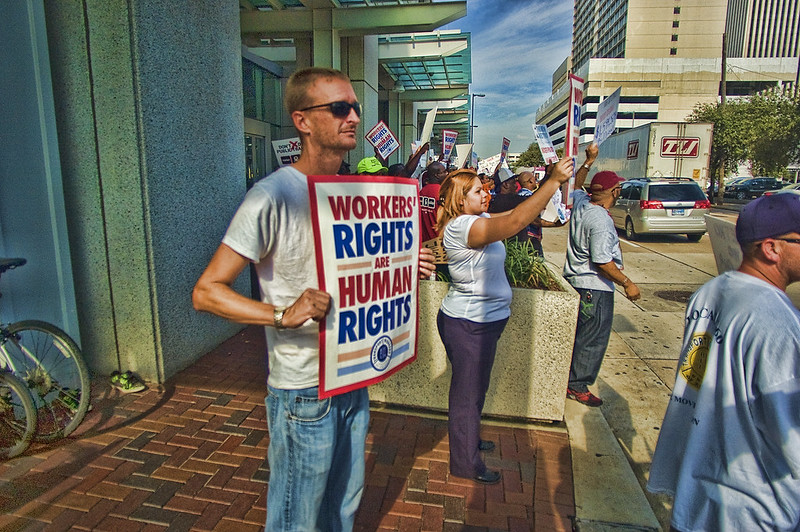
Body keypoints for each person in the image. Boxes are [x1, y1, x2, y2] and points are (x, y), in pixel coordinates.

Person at [192, 67, 435, 531]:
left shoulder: (357, 192)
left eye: (355, 107)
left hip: (354, 377)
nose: (354, 117)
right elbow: (207, 292)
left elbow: (357, 266)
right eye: (340, 108)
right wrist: (282, 314)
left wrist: (405, 264)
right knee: (296, 520)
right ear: (302, 121)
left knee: (343, 509)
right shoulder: (272, 196)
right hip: (304, 390)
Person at [647, 193, 800, 531]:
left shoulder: (710, 292)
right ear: (771, 248)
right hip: (755, 510)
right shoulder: (778, 321)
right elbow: (789, 430)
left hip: (696, 501)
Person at [436, 157, 574, 484]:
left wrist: (555, 197)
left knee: (476, 387)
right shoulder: (462, 227)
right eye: (476, 191)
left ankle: (468, 437)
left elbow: (522, 215)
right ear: (459, 200)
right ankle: (465, 462)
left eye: (484, 188)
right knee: (467, 394)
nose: (486, 193)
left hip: (483, 322)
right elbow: (514, 222)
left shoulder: (479, 217)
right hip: (468, 324)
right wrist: (552, 181)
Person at [563, 143, 640, 407]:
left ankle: (570, 379)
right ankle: (577, 385)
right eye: (618, 188)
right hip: (594, 288)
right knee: (592, 339)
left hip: (577, 283)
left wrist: (588, 161)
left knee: (579, 336)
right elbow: (602, 261)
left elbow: (576, 185)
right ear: (614, 192)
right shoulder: (601, 221)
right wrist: (628, 283)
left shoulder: (582, 204)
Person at [418, 161, 448, 242]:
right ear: (437, 175)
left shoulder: (421, 192)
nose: (447, 174)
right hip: (439, 241)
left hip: (423, 242)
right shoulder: (442, 192)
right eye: (444, 172)